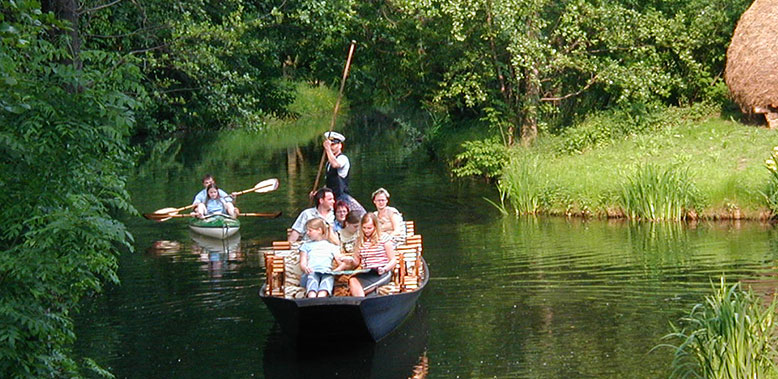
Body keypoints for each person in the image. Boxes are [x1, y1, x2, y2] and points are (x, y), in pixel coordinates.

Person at [349, 213, 396, 297]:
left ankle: (362, 299)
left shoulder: (384, 238)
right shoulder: (359, 240)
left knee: (362, 290)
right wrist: (350, 260)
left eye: (369, 228)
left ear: (375, 227)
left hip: (381, 272)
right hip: (366, 272)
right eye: (364, 228)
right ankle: (362, 300)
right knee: (352, 280)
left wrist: (384, 269)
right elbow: (356, 262)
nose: (366, 231)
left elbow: (393, 260)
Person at [299, 218, 349, 298]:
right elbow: (302, 262)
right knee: (312, 278)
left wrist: (336, 271)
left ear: (319, 230)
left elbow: (341, 263)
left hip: (326, 272)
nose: (307, 233)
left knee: (327, 279)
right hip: (311, 272)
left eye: (310, 230)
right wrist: (305, 268)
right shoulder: (306, 246)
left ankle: (321, 298)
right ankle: (312, 298)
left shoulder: (331, 246)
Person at [322, 131, 366, 217]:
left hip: (341, 196)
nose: (331, 147)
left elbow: (335, 164)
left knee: (359, 215)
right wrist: (319, 193)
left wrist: (327, 149)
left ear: (340, 145)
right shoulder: (328, 163)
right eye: (330, 145)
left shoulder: (343, 158)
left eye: (333, 145)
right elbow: (328, 182)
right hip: (331, 198)